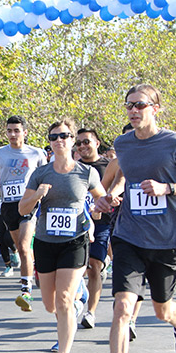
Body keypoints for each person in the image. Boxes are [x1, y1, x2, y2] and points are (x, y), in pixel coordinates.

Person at [95, 84, 176, 353]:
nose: (133, 110)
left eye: (140, 105)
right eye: (128, 105)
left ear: (155, 107)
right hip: (128, 236)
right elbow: (116, 178)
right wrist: (106, 197)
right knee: (122, 308)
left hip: (165, 240)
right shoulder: (122, 144)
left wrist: (167, 188)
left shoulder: (175, 142)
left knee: (161, 310)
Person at [19, 119, 105, 353]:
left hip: (75, 241)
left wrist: (95, 213)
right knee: (49, 303)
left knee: (64, 299)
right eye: (54, 136)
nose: (59, 140)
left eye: (65, 136)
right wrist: (37, 195)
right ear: (49, 141)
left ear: (72, 141)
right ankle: (74, 308)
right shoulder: (41, 173)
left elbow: (101, 200)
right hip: (46, 242)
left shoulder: (86, 173)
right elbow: (23, 209)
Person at [0, 115, 47, 311]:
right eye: (9, 131)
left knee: (23, 246)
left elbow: (45, 177)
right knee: (21, 248)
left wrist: (41, 197)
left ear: (25, 132)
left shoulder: (37, 153)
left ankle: (26, 292)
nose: (12, 135)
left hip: (29, 203)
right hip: (8, 205)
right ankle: (35, 267)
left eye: (16, 130)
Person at [75, 128, 111, 329]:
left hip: (102, 223)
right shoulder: (73, 167)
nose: (82, 146)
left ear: (97, 143)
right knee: (80, 268)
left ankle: (90, 312)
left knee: (94, 265)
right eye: (79, 143)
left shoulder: (108, 166)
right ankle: (77, 301)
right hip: (77, 224)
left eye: (86, 142)